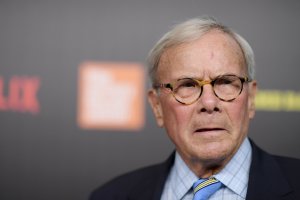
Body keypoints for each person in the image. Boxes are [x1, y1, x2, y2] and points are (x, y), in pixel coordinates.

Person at [89, 16, 300, 200]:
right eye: (187, 86)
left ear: (251, 99)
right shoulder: (110, 196)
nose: (209, 104)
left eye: (226, 82)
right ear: (157, 107)